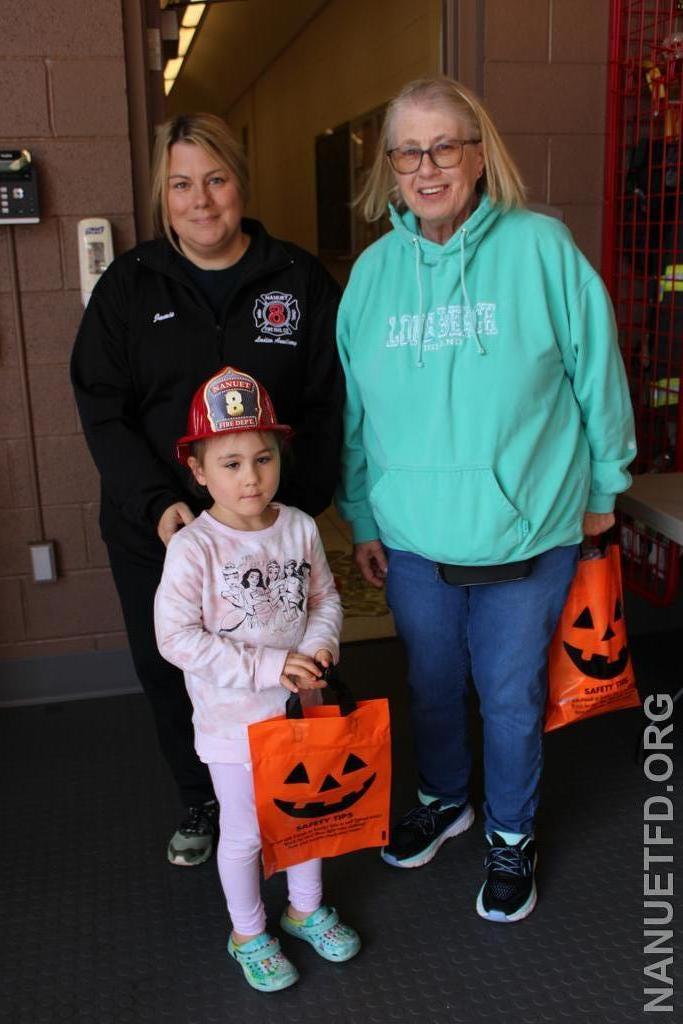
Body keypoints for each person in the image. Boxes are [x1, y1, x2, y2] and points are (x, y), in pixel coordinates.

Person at [335, 76, 636, 923]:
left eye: (443, 147)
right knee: (429, 685)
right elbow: (355, 413)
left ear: (477, 153)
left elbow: (595, 375)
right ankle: (444, 797)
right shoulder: (371, 277)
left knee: (508, 698)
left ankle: (509, 834)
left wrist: (604, 486)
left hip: (525, 530)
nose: (426, 167)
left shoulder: (540, 249)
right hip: (412, 540)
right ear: (388, 167)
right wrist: (361, 513)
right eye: (407, 151)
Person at [70, 114, 344, 868]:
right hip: (160, 530)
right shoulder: (129, 286)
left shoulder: (297, 279)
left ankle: (291, 791)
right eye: (182, 184)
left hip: (268, 532)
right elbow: (101, 405)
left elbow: (326, 403)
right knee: (175, 670)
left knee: (282, 659)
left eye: (216, 180)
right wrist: (159, 507)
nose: (201, 201)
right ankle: (201, 797)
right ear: (163, 193)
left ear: (241, 185)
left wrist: (294, 509)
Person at [154, 365, 360, 991]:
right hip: (233, 723)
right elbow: (176, 638)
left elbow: (325, 599)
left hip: (302, 712)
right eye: (232, 463)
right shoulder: (195, 548)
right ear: (198, 470)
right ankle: (248, 930)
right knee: (244, 834)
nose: (251, 477)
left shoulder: (298, 527)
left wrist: (319, 647)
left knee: (308, 815)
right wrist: (269, 665)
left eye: (263, 459)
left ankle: (303, 909)